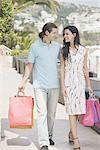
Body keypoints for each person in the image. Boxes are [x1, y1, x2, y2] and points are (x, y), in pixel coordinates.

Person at [18, 22, 61, 150]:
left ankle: (49, 135)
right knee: (42, 113)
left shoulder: (57, 47)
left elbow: (65, 62)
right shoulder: (35, 47)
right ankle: (43, 143)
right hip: (39, 86)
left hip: (55, 86)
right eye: (54, 33)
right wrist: (23, 82)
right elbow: (29, 65)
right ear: (46, 33)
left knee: (51, 114)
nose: (56, 35)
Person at [60, 25, 93, 150]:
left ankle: (71, 132)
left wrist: (89, 85)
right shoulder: (63, 51)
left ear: (74, 35)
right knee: (71, 112)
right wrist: (63, 86)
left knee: (78, 111)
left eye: (67, 34)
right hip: (69, 84)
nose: (65, 36)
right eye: (64, 34)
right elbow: (62, 69)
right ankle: (76, 140)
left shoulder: (84, 50)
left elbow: (85, 68)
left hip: (80, 84)